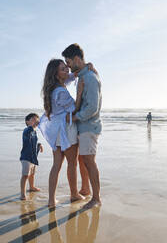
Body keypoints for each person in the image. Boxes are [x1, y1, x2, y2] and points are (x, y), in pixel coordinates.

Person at [39, 59, 86, 207]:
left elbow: (71, 77)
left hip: (57, 131)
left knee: (56, 165)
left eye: (67, 68)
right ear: (56, 74)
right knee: (72, 163)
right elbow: (74, 108)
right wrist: (79, 93)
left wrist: (78, 71)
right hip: (66, 130)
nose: (68, 71)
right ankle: (74, 194)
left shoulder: (55, 87)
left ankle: (51, 200)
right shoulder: (60, 91)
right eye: (63, 69)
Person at [63, 43, 102, 209]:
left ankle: (96, 199)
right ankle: (86, 190)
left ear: (77, 59)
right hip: (83, 127)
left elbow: (93, 107)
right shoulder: (83, 75)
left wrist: (74, 118)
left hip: (89, 127)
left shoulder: (90, 78)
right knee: (83, 160)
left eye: (69, 62)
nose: (68, 66)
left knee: (89, 161)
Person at [19, 113, 43, 200]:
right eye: (33, 119)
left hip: (33, 157)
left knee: (32, 174)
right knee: (25, 175)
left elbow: (33, 142)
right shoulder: (27, 130)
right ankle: (22, 193)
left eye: (37, 119)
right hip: (26, 157)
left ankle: (32, 187)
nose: (36, 121)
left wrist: (39, 145)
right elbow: (29, 133)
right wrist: (32, 126)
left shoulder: (34, 132)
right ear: (27, 122)